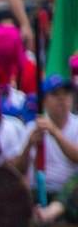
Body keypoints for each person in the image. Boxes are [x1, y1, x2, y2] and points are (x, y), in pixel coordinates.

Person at [29, 75, 78, 203]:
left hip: (70, 193)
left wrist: (54, 132)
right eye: (55, 94)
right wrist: (29, 144)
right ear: (44, 100)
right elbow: (19, 168)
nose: (62, 99)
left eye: (66, 93)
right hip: (39, 189)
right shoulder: (33, 126)